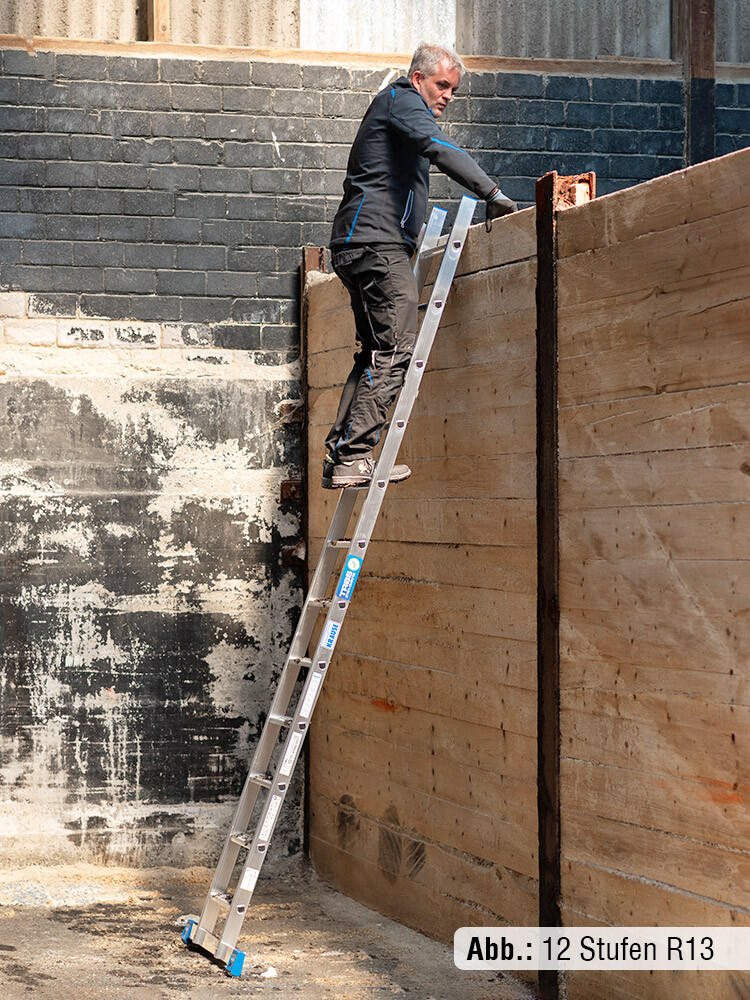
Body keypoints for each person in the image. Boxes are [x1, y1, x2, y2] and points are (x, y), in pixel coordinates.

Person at [322, 42, 516, 489]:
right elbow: (436, 145)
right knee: (394, 351)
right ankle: (353, 457)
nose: (447, 95)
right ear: (418, 79)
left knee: (375, 351)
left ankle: (343, 455)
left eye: (453, 89)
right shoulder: (403, 101)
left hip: (361, 244)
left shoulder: (395, 105)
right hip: (377, 245)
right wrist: (490, 192)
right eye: (442, 85)